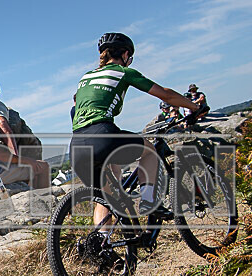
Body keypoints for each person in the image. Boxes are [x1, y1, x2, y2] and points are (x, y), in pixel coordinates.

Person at [70, 33, 202, 220]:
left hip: (76, 147)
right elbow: (166, 95)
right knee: (150, 152)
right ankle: (149, 202)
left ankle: (102, 238)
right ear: (125, 55)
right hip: (102, 135)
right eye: (130, 58)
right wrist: (194, 107)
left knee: (105, 200)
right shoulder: (123, 72)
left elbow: (78, 110)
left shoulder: (86, 77)